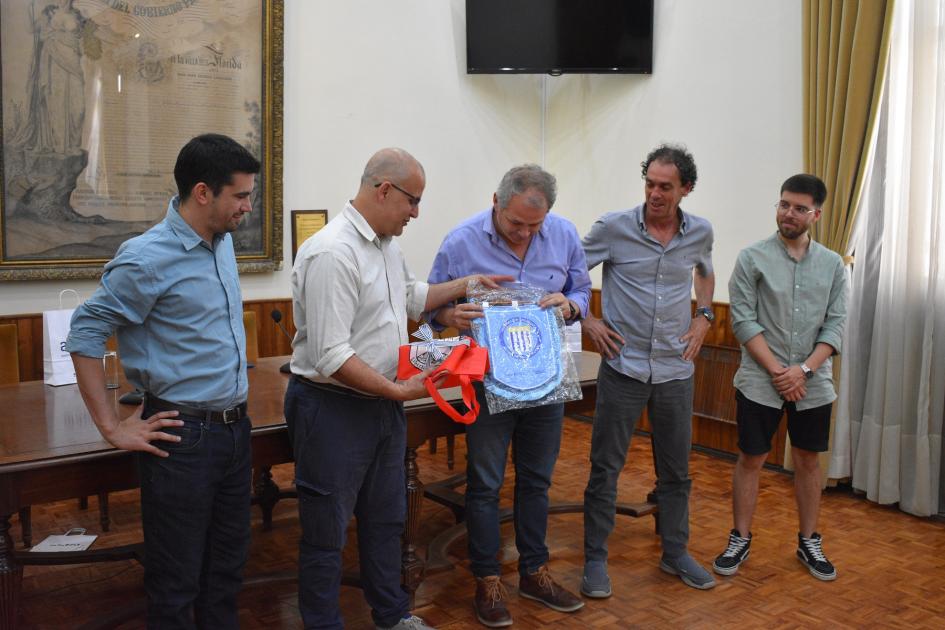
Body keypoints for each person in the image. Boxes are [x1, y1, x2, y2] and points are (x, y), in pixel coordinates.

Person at [286, 148, 508, 630]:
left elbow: (413, 298)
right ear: (383, 189)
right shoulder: (332, 252)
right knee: (325, 535)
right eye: (413, 200)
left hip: (382, 406)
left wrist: (464, 284)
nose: (416, 212)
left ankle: (392, 617)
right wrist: (398, 393)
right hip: (334, 409)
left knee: (387, 522)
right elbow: (330, 355)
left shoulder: (386, 244)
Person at [66, 133, 260, 628]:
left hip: (236, 430)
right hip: (183, 437)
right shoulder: (146, 258)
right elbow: (86, 330)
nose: (247, 206)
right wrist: (111, 427)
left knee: (227, 573)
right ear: (202, 192)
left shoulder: (222, 242)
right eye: (240, 195)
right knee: (176, 584)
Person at [427, 164, 591, 627]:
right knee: (485, 486)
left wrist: (572, 304)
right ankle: (487, 580)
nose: (523, 234)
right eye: (515, 223)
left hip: (547, 380)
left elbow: (581, 289)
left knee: (537, 481)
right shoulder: (461, 241)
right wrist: (448, 315)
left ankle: (534, 572)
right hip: (486, 382)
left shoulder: (563, 235)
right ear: (495, 202)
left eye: (533, 227)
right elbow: (428, 307)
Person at [580, 144, 717, 595]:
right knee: (606, 468)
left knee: (676, 472)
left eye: (666, 187)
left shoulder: (699, 232)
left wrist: (704, 315)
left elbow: (705, 272)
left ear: (686, 189)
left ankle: (675, 553)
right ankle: (595, 559)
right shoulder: (613, 228)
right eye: (650, 184)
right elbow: (570, 274)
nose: (655, 194)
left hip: (675, 370)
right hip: (624, 366)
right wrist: (589, 320)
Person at [712, 174, 847, 582]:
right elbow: (742, 320)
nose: (789, 213)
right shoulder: (752, 257)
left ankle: (809, 541)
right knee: (751, 457)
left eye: (799, 208)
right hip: (760, 379)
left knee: (808, 460)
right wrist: (779, 371)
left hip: (812, 381)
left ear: (816, 215)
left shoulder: (833, 264)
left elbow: (836, 325)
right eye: (784, 204)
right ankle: (740, 537)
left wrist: (803, 370)